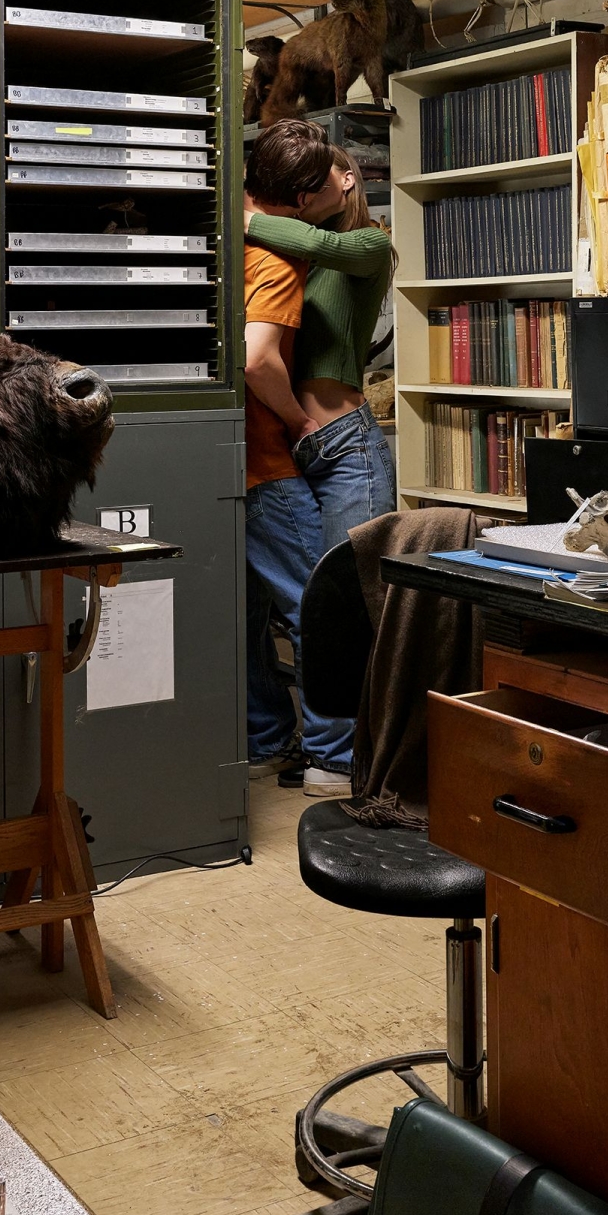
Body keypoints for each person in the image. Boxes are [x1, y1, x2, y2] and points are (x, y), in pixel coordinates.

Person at [246, 144, 397, 799]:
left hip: (346, 447)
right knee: (301, 603)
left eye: (332, 171)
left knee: (345, 603)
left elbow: (310, 236)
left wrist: (245, 215)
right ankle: (312, 745)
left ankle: (341, 762)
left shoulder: (369, 243)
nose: (310, 193)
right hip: (300, 445)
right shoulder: (295, 254)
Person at [241, 120, 355, 793]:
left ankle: (266, 739)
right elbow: (258, 360)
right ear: (305, 196)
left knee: (247, 616)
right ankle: (333, 759)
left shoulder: (225, 235)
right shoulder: (277, 259)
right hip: (265, 462)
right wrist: (299, 419)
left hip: (221, 462)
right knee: (321, 607)